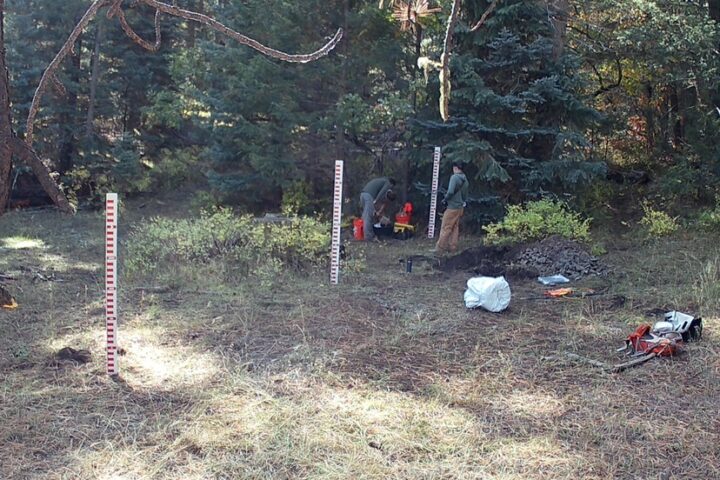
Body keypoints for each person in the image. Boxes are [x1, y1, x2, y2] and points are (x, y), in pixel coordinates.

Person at [435, 162, 469, 254]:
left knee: (446, 227)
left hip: (452, 207)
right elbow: (465, 194)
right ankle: (453, 247)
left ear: (455, 168)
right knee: (455, 227)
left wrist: (445, 199)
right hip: (460, 207)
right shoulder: (465, 179)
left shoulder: (454, 177)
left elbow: (450, 192)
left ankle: (440, 248)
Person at [360, 177, 396, 241]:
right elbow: (381, 192)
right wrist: (375, 200)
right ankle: (369, 237)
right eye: (392, 187)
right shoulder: (387, 183)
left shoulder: (382, 181)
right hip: (369, 196)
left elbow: (383, 203)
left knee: (367, 215)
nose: (391, 188)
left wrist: (378, 212)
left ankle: (363, 234)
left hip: (363, 194)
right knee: (368, 217)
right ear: (391, 184)